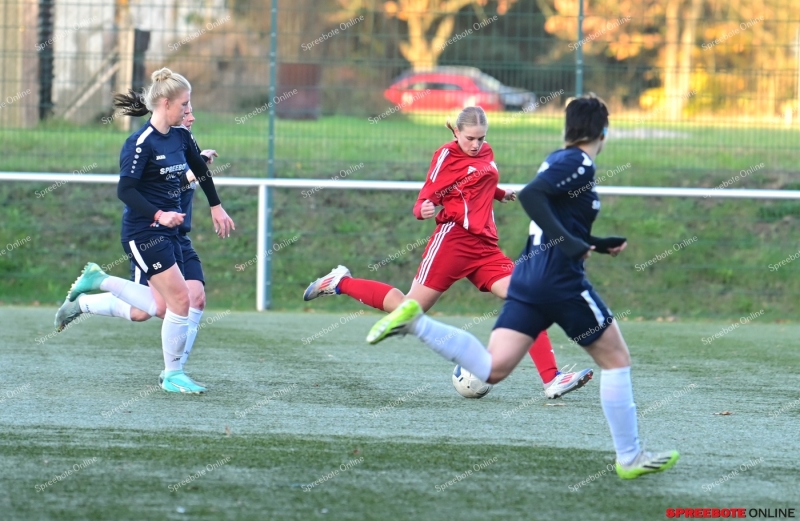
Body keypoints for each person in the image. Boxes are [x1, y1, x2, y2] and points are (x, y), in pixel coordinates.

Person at [366, 94, 679, 479]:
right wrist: (576, 246)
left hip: (531, 278)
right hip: (559, 280)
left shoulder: (557, 159)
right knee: (617, 360)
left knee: (493, 368)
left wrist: (594, 243)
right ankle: (629, 458)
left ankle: (417, 324)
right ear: (603, 132)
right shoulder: (578, 161)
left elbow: (552, 212)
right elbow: (533, 196)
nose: (478, 144)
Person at [303, 106, 592, 398]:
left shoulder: (485, 152)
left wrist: (499, 193)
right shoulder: (446, 155)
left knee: (529, 296)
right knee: (408, 309)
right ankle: (340, 282)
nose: (477, 144)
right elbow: (426, 195)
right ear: (456, 131)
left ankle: (552, 379)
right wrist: (422, 209)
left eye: (481, 138)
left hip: (484, 248)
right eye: (470, 138)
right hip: (452, 242)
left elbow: (479, 181)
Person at [58, 68, 234, 394]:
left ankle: (98, 284)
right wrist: (159, 214)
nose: (188, 111)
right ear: (166, 103)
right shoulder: (139, 143)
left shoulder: (181, 136)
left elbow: (198, 170)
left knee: (187, 299)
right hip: (144, 232)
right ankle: (172, 374)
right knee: (174, 302)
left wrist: (215, 205)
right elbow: (125, 191)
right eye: (185, 104)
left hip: (174, 232)